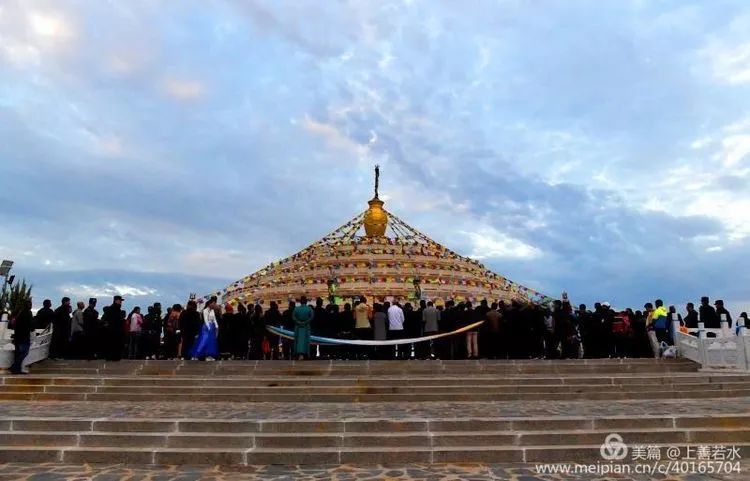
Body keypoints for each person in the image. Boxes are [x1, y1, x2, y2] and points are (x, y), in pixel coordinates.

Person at [10, 299, 34, 375]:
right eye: (30, 304)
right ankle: (14, 367)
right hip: (24, 336)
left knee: (18, 353)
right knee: (24, 352)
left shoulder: (20, 313)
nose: (31, 306)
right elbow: (31, 325)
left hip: (18, 336)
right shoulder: (28, 313)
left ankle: (16, 369)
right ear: (28, 306)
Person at [102, 295, 125, 361]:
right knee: (113, 345)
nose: (121, 302)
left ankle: (113, 357)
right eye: (120, 301)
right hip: (113, 331)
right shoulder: (113, 309)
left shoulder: (117, 309)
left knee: (115, 345)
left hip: (115, 330)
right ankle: (112, 357)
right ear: (116, 300)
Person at [292, 296, 314, 360]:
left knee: (298, 340)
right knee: (306, 341)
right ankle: (305, 354)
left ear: (300, 302)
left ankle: (297, 354)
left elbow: (293, 317)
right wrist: (305, 322)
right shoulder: (309, 309)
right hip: (306, 326)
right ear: (306, 302)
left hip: (298, 327)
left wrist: (298, 322)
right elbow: (312, 317)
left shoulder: (296, 309)